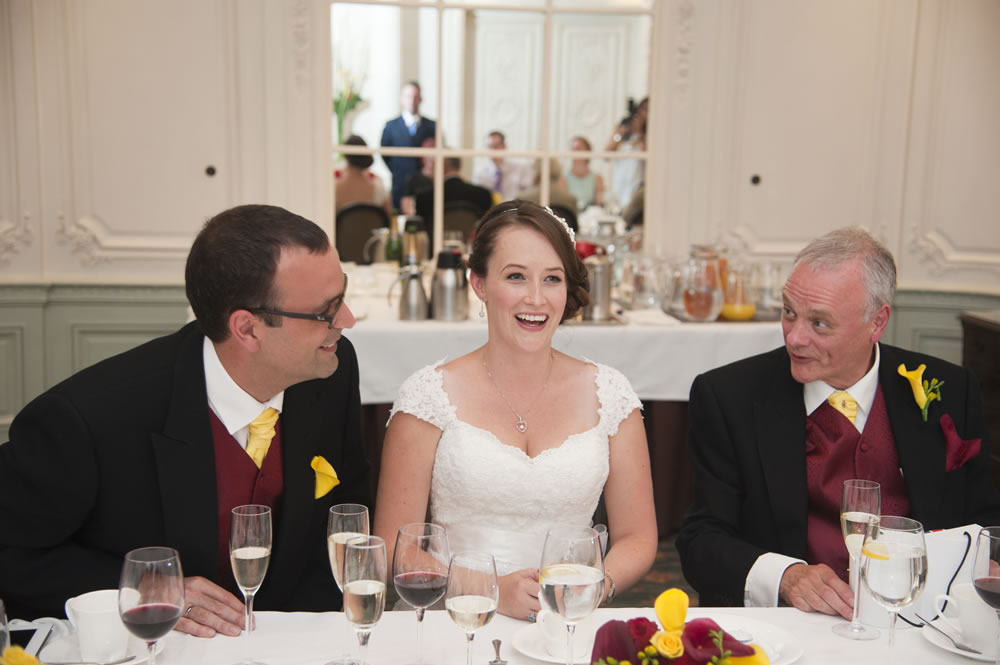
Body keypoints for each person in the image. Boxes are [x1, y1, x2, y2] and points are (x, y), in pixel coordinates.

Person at [0, 205, 371, 637]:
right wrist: (145, 588)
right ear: (247, 329)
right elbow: (11, 552)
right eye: (327, 311)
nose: (347, 321)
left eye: (342, 296)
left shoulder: (332, 370)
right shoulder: (85, 419)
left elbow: (346, 504)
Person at [676, 226, 1000, 618]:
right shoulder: (728, 396)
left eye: (820, 323)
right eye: (789, 312)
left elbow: (986, 516)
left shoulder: (949, 389)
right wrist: (785, 576)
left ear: (877, 323)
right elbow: (700, 541)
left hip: (922, 621)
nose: (794, 338)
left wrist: (988, 562)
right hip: (789, 625)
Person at [374, 200, 657, 621]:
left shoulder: (610, 394)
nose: (537, 299)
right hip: (451, 617)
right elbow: (395, 548)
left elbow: (637, 536)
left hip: (567, 621)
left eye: (552, 279)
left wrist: (597, 585)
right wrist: (485, 588)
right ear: (479, 284)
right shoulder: (428, 395)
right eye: (516, 277)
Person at [381, 81, 436, 210]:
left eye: (415, 96)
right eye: (408, 96)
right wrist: (398, 169)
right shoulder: (391, 126)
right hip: (400, 183)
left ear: (421, 99)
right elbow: (385, 154)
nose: (412, 100)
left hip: (426, 187)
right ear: (401, 99)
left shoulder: (432, 126)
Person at [413, 156, 494, 245]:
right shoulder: (483, 194)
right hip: (473, 249)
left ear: (443, 166)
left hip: (435, 249)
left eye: (433, 166)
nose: (431, 171)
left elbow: (419, 230)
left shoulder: (425, 197)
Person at [605, 97, 647, 210]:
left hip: (638, 187)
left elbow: (647, 158)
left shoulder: (647, 135)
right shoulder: (624, 133)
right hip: (620, 188)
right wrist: (619, 134)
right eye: (642, 110)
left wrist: (639, 133)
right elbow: (606, 155)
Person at [335, 134, 392, 217]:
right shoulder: (379, 186)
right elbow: (388, 215)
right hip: (371, 229)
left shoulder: (334, 187)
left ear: (344, 155)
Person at [472, 130, 533, 202]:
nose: (492, 150)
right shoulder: (479, 172)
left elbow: (527, 194)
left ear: (504, 146)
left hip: (514, 209)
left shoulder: (521, 169)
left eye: (496, 146)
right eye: (490, 147)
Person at [565, 136, 605, 210]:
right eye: (573, 149)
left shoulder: (597, 178)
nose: (575, 152)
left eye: (579, 149)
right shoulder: (563, 177)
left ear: (588, 152)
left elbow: (601, 205)